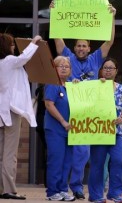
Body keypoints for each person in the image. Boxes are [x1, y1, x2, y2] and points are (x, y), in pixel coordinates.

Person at [50, 0, 116, 199]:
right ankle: (74, 187)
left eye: (84, 46)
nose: (80, 48)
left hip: (90, 111)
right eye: (78, 45)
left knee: (85, 153)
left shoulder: (96, 59)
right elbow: (58, 40)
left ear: (89, 48)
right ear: (74, 47)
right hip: (69, 109)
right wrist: (54, 13)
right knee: (73, 153)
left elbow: (109, 42)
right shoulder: (67, 57)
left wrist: (112, 17)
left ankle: (78, 186)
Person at [0, 33, 42, 200]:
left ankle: (2, 188)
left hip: (1, 110)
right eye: (11, 45)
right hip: (10, 110)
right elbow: (24, 58)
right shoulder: (9, 61)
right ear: (6, 47)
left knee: (1, 153)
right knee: (10, 153)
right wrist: (34, 42)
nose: (13, 47)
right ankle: (9, 189)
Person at [88, 57, 122, 203]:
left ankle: (115, 194)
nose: (107, 70)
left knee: (118, 162)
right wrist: (76, 83)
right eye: (105, 68)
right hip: (99, 131)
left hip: (116, 132)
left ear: (116, 71)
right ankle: (95, 195)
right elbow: (81, 97)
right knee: (97, 163)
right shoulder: (94, 86)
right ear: (101, 70)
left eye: (110, 68)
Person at [44, 56, 75, 201]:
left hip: (70, 131)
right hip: (56, 129)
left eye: (66, 66)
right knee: (56, 160)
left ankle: (62, 189)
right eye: (60, 65)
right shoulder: (52, 83)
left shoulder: (70, 86)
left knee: (67, 161)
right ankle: (52, 192)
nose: (63, 68)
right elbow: (49, 104)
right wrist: (63, 121)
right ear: (54, 68)